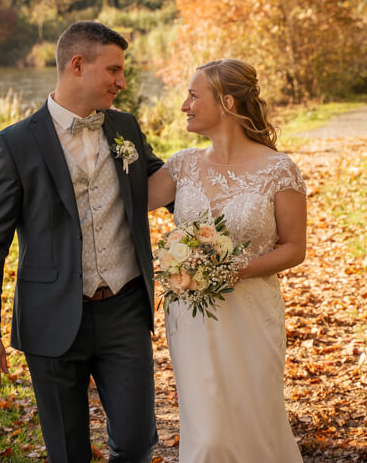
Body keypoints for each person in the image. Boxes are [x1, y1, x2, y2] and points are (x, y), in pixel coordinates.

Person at [0, 21, 165, 463]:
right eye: (113, 70)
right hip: (50, 316)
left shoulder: (125, 127)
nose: (122, 81)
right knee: (67, 452)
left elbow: (163, 183)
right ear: (77, 65)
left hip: (125, 310)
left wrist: (223, 167)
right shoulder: (15, 143)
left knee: (136, 443)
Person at [148, 59, 306, 462]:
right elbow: (125, 200)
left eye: (193, 96)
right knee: (208, 434)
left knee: (255, 421)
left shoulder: (278, 169)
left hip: (252, 314)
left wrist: (238, 270)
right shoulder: (182, 165)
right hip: (192, 317)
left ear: (227, 103)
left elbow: (294, 247)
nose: (184, 105)